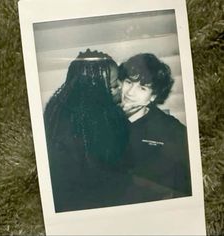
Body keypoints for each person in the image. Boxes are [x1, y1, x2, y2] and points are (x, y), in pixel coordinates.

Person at [44, 49, 130, 212]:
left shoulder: (99, 113)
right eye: (113, 85)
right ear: (94, 91)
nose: (121, 86)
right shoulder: (75, 125)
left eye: (118, 79)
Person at [118, 53, 192, 203]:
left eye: (143, 88)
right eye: (128, 82)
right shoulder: (103, 119)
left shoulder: (171, 130)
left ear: (153, 96)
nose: (130, 92)